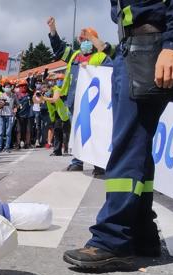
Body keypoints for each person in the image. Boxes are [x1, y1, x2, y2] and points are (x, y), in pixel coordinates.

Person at [63, 1, 173, 272]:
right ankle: (141, 233)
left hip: (150, 45)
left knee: (128, 144)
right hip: (132, 47)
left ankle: (112, 239)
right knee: (137, 142)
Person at [47, 17, 111, 173]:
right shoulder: (74, 55)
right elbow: (59, 48)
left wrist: (89, 66)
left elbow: (109, 74)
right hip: (75, 100)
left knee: (96, 131)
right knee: (77, 130)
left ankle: (98, 164)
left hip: (96, 103)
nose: (83, 42)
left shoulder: (102, 57)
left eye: (86, 39)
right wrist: (53, 30)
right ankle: (77, 161)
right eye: (81, 39)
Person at [44, 77, 70, 156]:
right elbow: (38, 100)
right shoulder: (48, 92)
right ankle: (57, 151)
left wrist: (44, 98)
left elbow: (54, 99)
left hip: (65, 114)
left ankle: (66, 150)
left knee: (66, 133)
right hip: (57, 114)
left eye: (61, 80)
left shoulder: (58, 89)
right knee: (57, 132)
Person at [0, 81, 19, 153]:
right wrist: (0, 105)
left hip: (10, 116)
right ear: (3, 88)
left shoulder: (13, 95)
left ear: (11, 88)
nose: (7, 88)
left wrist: (16, 108)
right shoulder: (0, 95)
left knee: (8, 133)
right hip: (1, 116)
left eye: (9, 87)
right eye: (6, 87)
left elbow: (17, 104)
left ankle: (7, 147)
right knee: (1, 132)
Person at [16, 81, 33, 149]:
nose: (24, 86)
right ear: (19, 86)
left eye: (25, 85)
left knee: (28, 130)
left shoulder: (29, 94)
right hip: (19, 115)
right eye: (22, 85)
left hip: (28, 115)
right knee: (18, 130)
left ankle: (27, 143)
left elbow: (32, 88)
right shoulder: (16, 94)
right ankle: (18, 144)